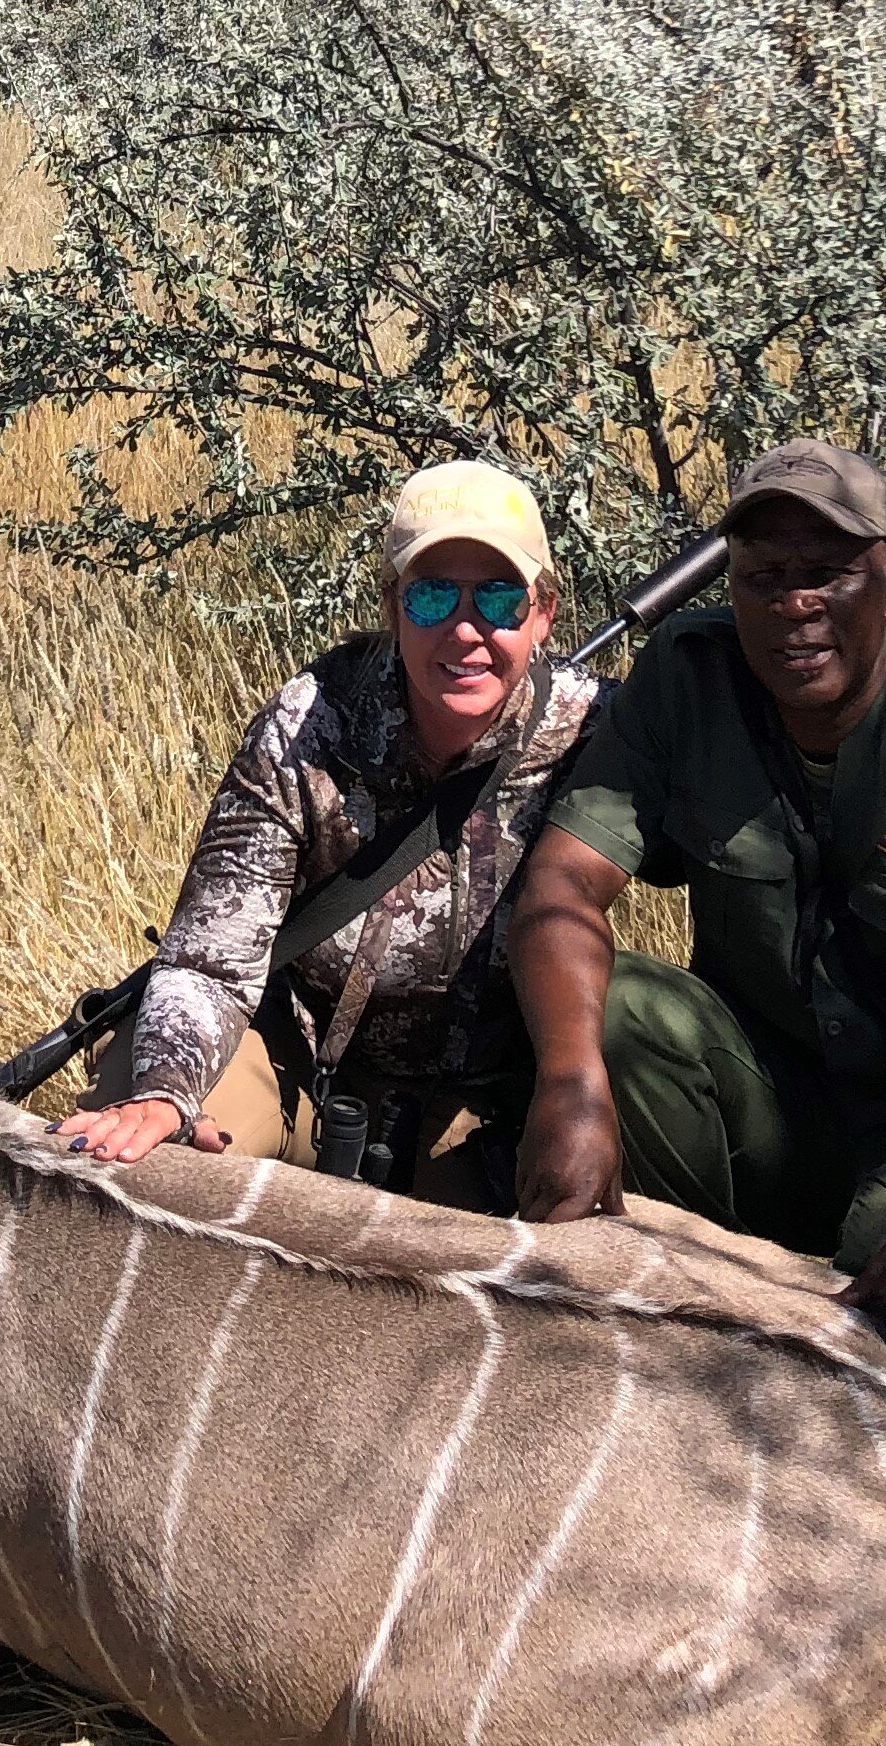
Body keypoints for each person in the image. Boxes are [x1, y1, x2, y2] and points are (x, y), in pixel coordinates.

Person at [505, 438, 886, 1401]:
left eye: (829, 574)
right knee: (619, 1013)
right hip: (771, 1100)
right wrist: (572, 1086)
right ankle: (676, 1313)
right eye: (766, 578)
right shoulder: (689, 675)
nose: (796, 605)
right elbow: (563, 885)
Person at [52, 460, 601, 1204]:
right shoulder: (309, 722)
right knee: (145, 1155)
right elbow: (211, 965)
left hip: (480, 1107)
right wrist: (164, 1090)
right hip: (296, 1066)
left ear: (544, 613)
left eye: (500, 598)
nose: (466, 629)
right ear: (391, 604)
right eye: (433, 595)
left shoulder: (595, 730)